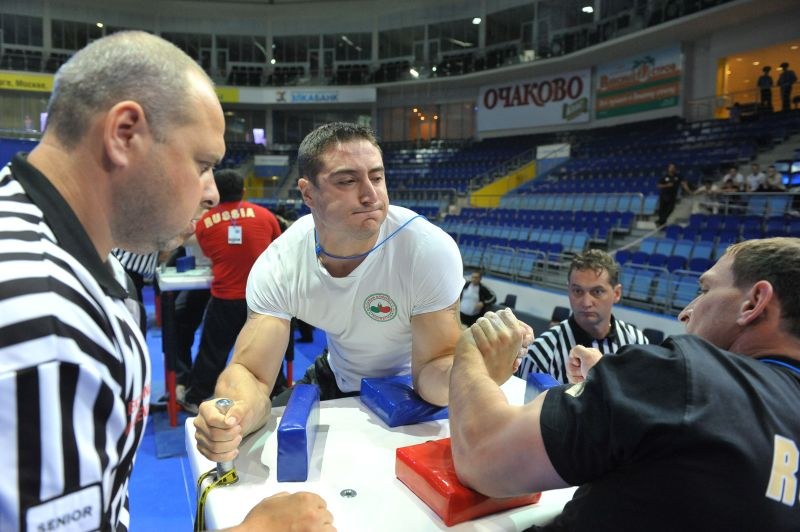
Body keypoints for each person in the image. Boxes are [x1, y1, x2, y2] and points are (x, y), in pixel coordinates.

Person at [0, 31, 333, 532]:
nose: (208, 193)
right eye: (201, 166)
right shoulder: (47, 322)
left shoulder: (70, 242)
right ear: (124, 133)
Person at [449, 237, 800, 531]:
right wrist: (623, 393)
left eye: (705, 289)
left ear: (754, 303)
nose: (685, 311)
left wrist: (467, 351)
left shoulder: (685, 375)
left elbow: (482, 454)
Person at [193, 122, 465, 463]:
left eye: (377, 177)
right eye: (347, 181)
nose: (371, 195)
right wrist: (233, 416)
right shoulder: (281, 263)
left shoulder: (427, 249)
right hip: (337, 376)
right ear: (308, 194)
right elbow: (251, 373)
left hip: (415, 386)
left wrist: (476, 370)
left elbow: (433, 372)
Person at [180, 169, 283, 413]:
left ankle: (197, 397)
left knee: (212, 353)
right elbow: (277, 249)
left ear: (217, 191)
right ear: (243, 191)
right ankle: (278, 396)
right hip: (261, 300)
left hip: (225, 298)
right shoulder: (266, 216)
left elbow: (208, 252)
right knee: (268, 352)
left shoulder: (205, 222)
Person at [515, 249, 648, 384]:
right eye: (577, 291)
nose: (586, 302)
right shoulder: (540, 354)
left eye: (597, 291)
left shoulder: (638, 342)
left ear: (617, 293)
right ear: (569, 290)